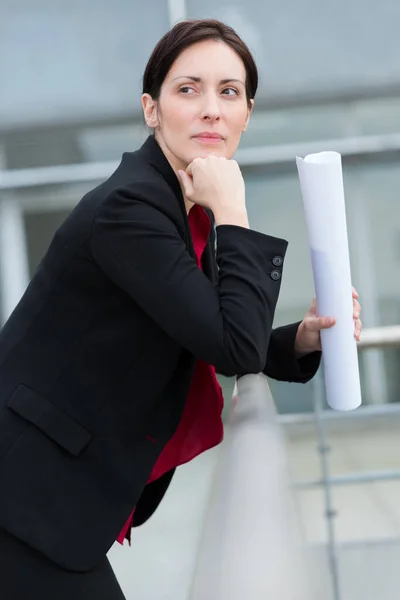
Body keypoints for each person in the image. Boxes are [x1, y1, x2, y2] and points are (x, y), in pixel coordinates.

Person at [0, 18, 362, 599]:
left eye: (229, 92)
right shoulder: (132, 209)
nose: (211, 109)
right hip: (26, 493)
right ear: (152, 109)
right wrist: (234, 211)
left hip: (46, 494)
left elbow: (205, 330)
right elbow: (230, 345)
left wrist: (300, 339)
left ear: (248, 112)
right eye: (188, 89)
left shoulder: (175, 204)